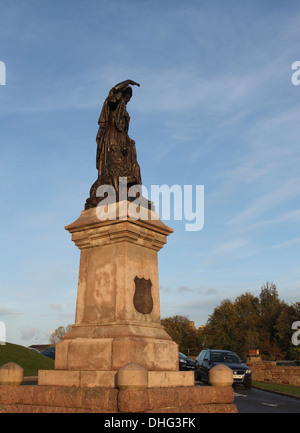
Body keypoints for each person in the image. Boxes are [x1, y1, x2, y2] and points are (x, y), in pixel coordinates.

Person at [85, 80, 142, 209]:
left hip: (122, 138)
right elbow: (114, 89)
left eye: (129, 98)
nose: (127, 100)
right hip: (111, 137)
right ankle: (110, 192)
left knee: (131, 163)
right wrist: (128, 82)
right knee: (112, 164)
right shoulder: (113, 103)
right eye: (126, 96)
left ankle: (128, 190)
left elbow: (124, 128)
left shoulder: (124, 111)